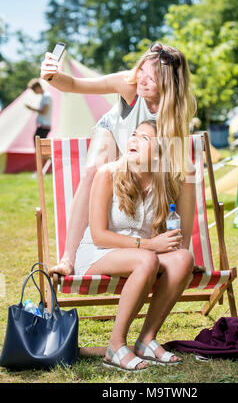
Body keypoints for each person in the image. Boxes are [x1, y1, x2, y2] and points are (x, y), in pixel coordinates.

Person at [40, 42, 197, 276]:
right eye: (141, 70)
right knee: (93, 169)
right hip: (115, 130)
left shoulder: (176, 111)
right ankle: (68, 258)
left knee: (187, 175)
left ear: (168, 84)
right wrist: (52, 76)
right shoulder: (129, 84)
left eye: (151, 78)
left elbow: (173, 161)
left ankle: (180, 252)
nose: (142, 79)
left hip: (144, 145)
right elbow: (73, 85)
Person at [76, 120, 195, 371]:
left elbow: (172, 233)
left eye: (144, 139)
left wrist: (166, 243)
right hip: (100, 252)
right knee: (146, 259)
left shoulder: (165, 182)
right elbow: (99, 235)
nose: (133, 140)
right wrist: (150, 244)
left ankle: (146, 340)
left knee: (184, 258)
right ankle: (115, 346)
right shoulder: (108, 174)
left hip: (141, 254)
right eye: (133, 135)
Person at [25, 78, 52, 146]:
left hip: (44, 126)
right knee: (38, 145)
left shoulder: (46, 96)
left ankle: (39, 157)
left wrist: (32, 108)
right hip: (43, 126)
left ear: (38, 87)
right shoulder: (44, 96)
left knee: (39, 146)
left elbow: (44, 111)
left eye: (33, 90)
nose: (34, 92)